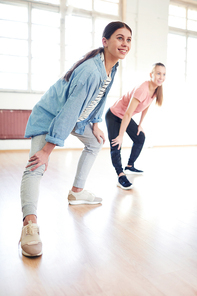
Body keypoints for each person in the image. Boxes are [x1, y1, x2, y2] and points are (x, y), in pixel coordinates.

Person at [19, 21, 132, 257]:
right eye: (120, 38)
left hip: (76, 118)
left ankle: (77, 191)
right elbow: (68, 111)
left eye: (128, 39)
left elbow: (99, 98)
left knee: (94, 142)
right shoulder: (90, 71)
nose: (125, 44)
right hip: (51, 116)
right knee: (36, 165)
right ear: (105, 41)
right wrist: (47, 151)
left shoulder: (112, 66)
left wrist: (95, 124)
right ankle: (29, 224)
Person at [105, 62, 166, 190]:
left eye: (164, 74)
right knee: (116, 143)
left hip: (124, 116)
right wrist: (121, 136)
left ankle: (129, 166)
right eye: (158, 73)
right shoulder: (142, 89)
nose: (161, 77)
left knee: (140, 137)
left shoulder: (156, 89)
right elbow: (127, 114)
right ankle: (120, 175)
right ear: (151, 75)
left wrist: (140, 125)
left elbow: (146, 106)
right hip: (114, 115)